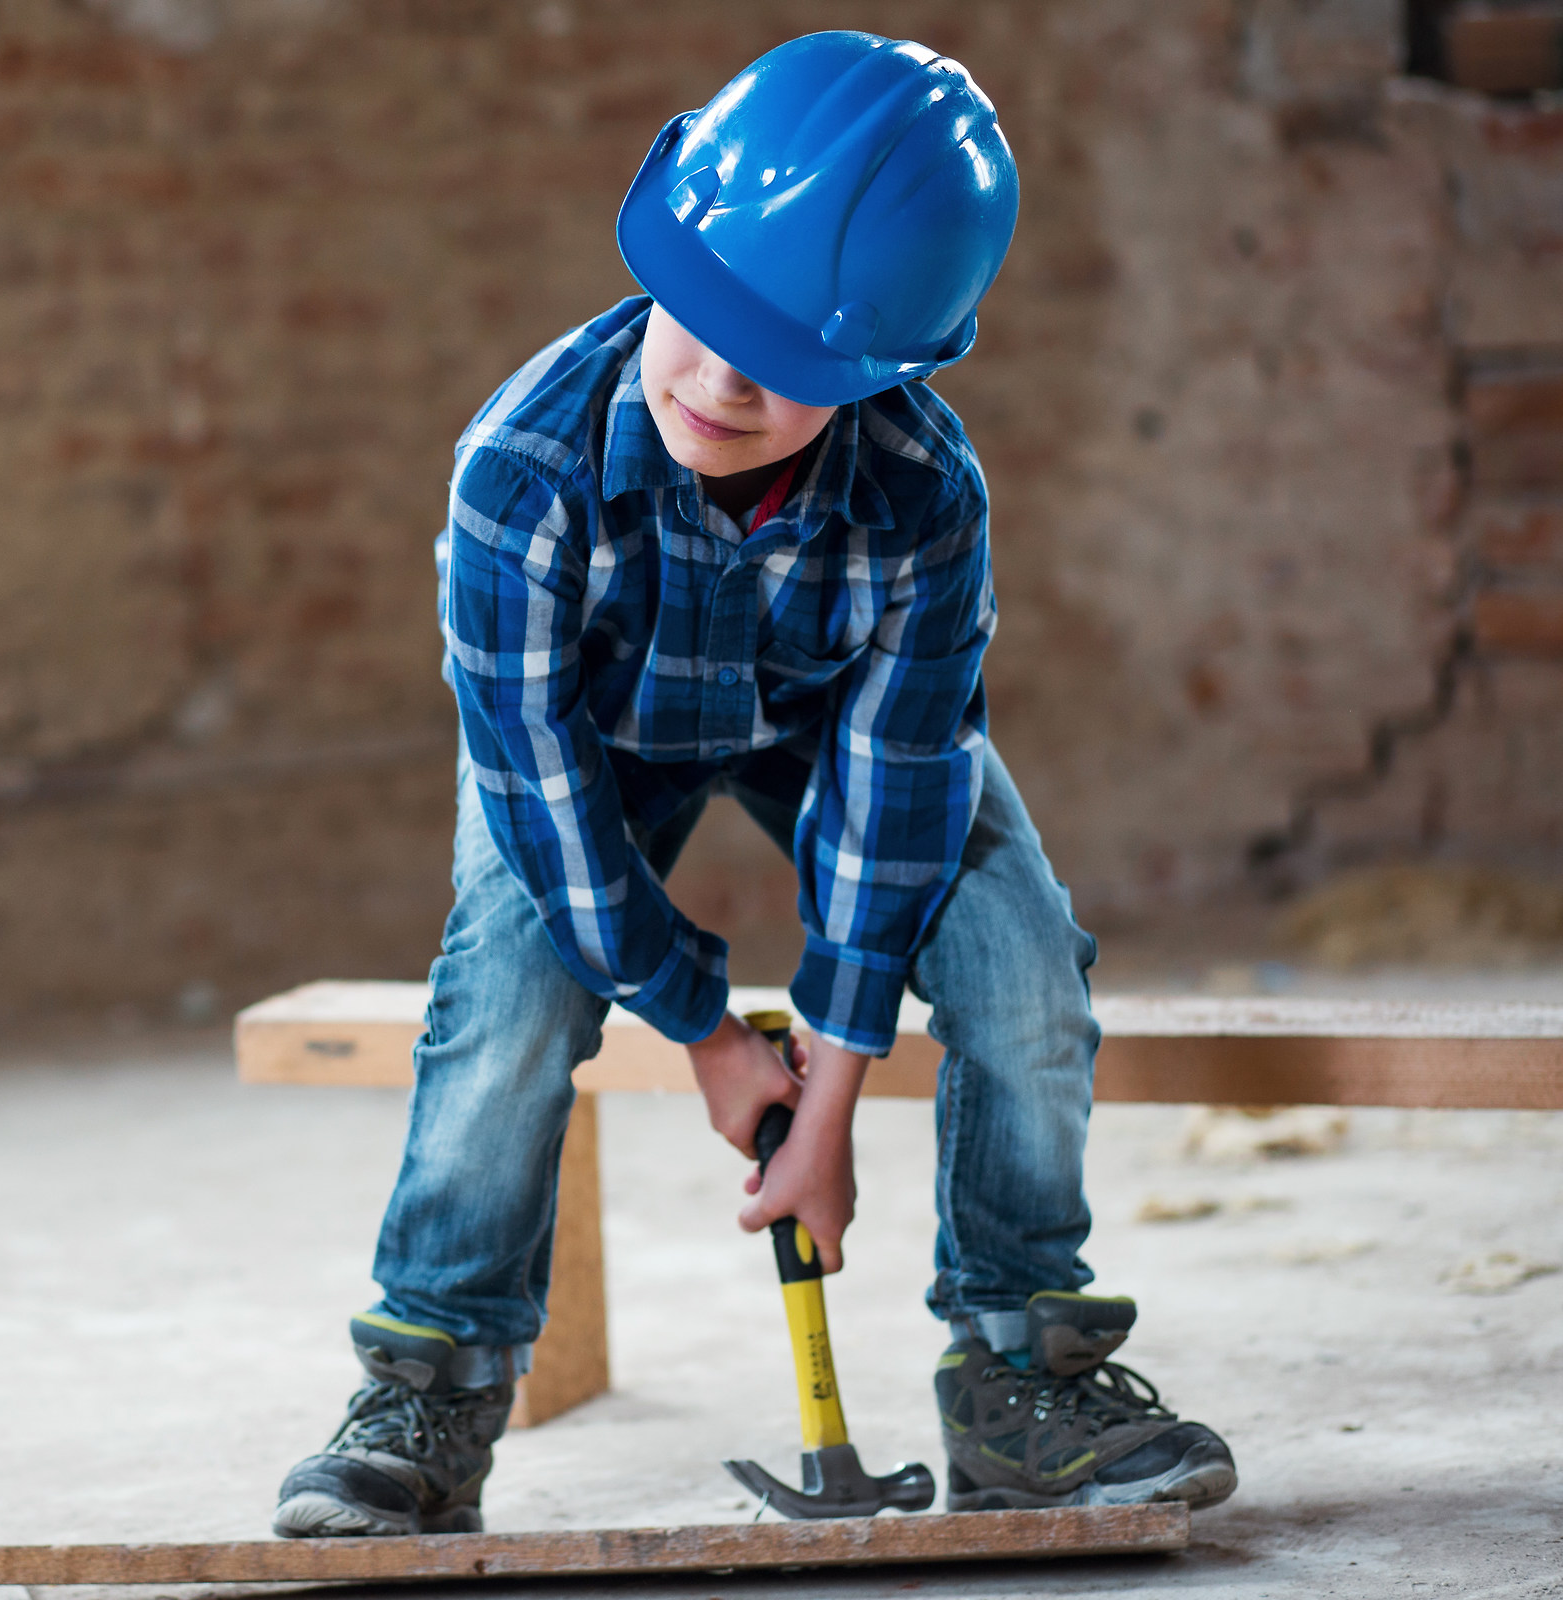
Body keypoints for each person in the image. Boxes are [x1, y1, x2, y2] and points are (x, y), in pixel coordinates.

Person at [270, 32, 1238, 1539]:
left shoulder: (924, 495)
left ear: (882, 369)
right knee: (509, 988)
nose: (723, 383)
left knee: (1024, 966)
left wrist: (829, 1098)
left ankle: (1019, 1374)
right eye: (706, 321)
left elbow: (901, 782)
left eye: (787, 370)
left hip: (823, 724)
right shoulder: (519, 474)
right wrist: (713, 1039)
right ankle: (431, 1388)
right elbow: (544, 806)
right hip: (588, 751)